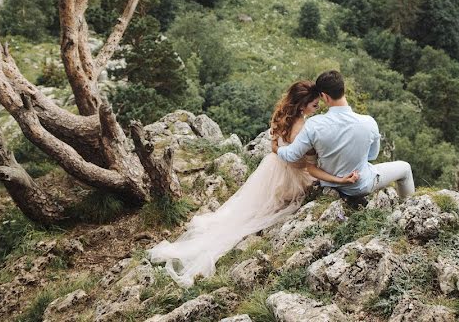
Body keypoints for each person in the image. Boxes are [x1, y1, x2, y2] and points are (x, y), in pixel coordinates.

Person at [148, 80, 359, 287]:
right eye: (314, 103)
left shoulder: (282, 117)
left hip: (272, 168)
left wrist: (279, 150)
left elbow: (274, 145)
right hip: (292, 176)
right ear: (303, 104)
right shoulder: (304, 127)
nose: (318, 106)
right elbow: (306, 163)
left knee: (251, 206)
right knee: (262, 212)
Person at [276, 70, 415, 202]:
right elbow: (372, 156)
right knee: (405, 167)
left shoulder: (313, 124)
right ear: (343, 89)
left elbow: (291, 155)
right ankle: (408, 206)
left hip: (329, 184)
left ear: (324, 96)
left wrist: (276, 147)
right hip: (359, 185)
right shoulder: (369, 122)